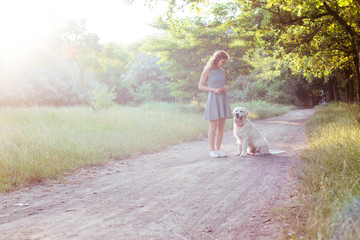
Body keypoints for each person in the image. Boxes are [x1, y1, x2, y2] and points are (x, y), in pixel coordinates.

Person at [198, 50, 233, 158]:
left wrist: (225, 88)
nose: (223, 64)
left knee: (221, 127)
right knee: (213, 126)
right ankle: (212, 150)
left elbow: (222, 83)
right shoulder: (207, 71)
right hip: (213, 98)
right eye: (222, 62)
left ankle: (218, 150)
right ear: (217, 59)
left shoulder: (223, 71)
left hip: (222, 98)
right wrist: (214, 90)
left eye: (225, 62)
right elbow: (201, 86)